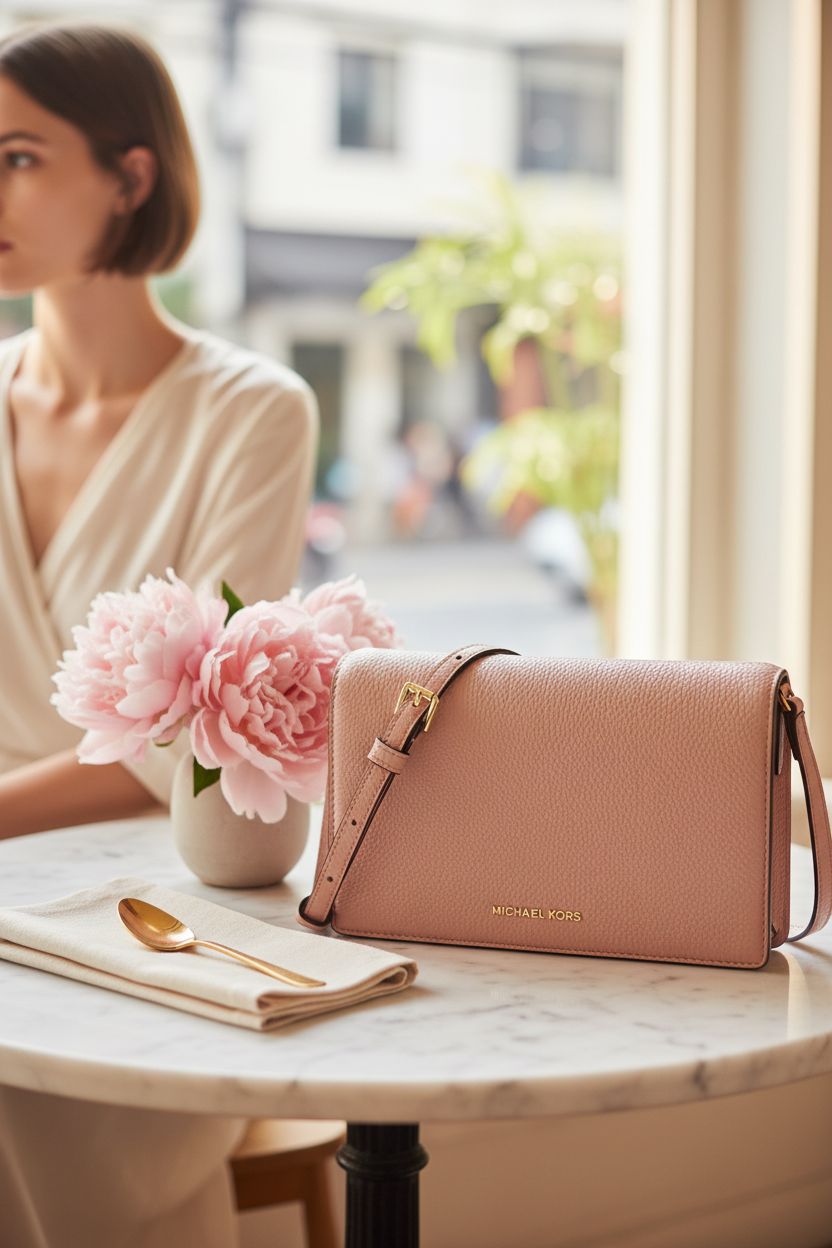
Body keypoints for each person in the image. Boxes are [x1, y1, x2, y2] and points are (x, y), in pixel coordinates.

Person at [0, 18, 319, 1247]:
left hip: (148, 918)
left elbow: (180, 753)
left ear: (130, 176)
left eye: (19, 155)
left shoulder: (252, 415)